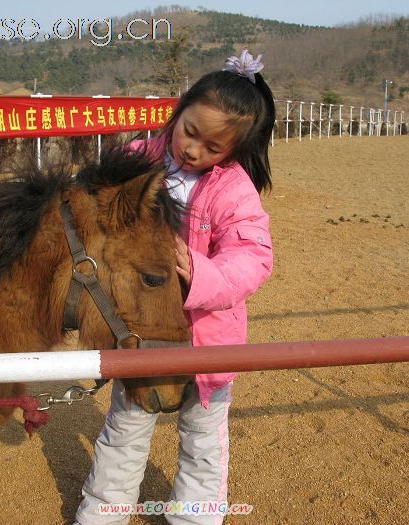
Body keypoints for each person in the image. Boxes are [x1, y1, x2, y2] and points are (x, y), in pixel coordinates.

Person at [75, 50, 275, 525]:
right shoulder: (134, 161)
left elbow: (254, 258)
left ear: (234, 151)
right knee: (124, 431)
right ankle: (102, 516)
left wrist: (201, 273)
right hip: (141, 333)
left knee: (203, 444)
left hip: (209, 345)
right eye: (190, 131)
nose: (193, 150)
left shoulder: (233, 190)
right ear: (178, 109)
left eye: (213, 147)